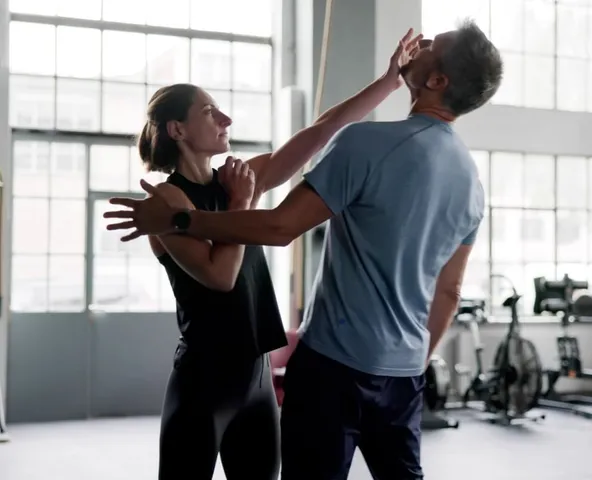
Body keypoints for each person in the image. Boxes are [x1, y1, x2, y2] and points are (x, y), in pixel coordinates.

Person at [106, 20, 502, 480]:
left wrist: (387, 81)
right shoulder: (169, 200)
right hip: (205, 376)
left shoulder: (238, 181)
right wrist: (238, 204)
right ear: (177, 129)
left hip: (256, 372)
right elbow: (221, 276)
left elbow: (322, 130)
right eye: (210, 111)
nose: (226, 119)